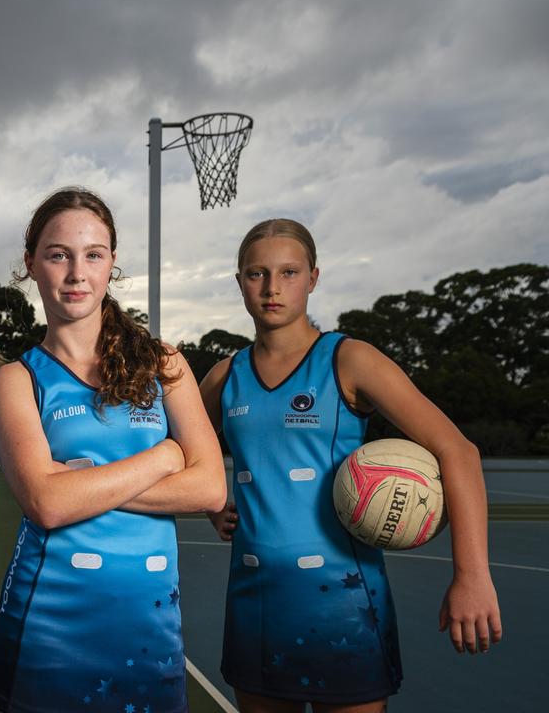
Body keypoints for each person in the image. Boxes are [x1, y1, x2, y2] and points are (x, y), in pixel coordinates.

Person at [200, 218, 504, 712]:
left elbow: (459, 451)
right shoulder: (224, 375)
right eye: (257, 274)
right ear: (240, 282)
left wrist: (472, 575)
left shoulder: (349, 359)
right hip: (254, 602)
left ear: (313, 278)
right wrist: (214, 499)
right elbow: (182, 454)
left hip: (344, 605)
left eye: (289, 272)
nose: (272, 287)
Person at [0, 187, 226, 713]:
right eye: (58, 255)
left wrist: (79, 483)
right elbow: (46, 505)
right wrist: (164, 458)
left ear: (112, 264)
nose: (76, 273)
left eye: (93, 255)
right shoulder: (14, 379)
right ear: (31, 264)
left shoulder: (163, 363)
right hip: (50, 623)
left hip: (150, 625)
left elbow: (210, 488)